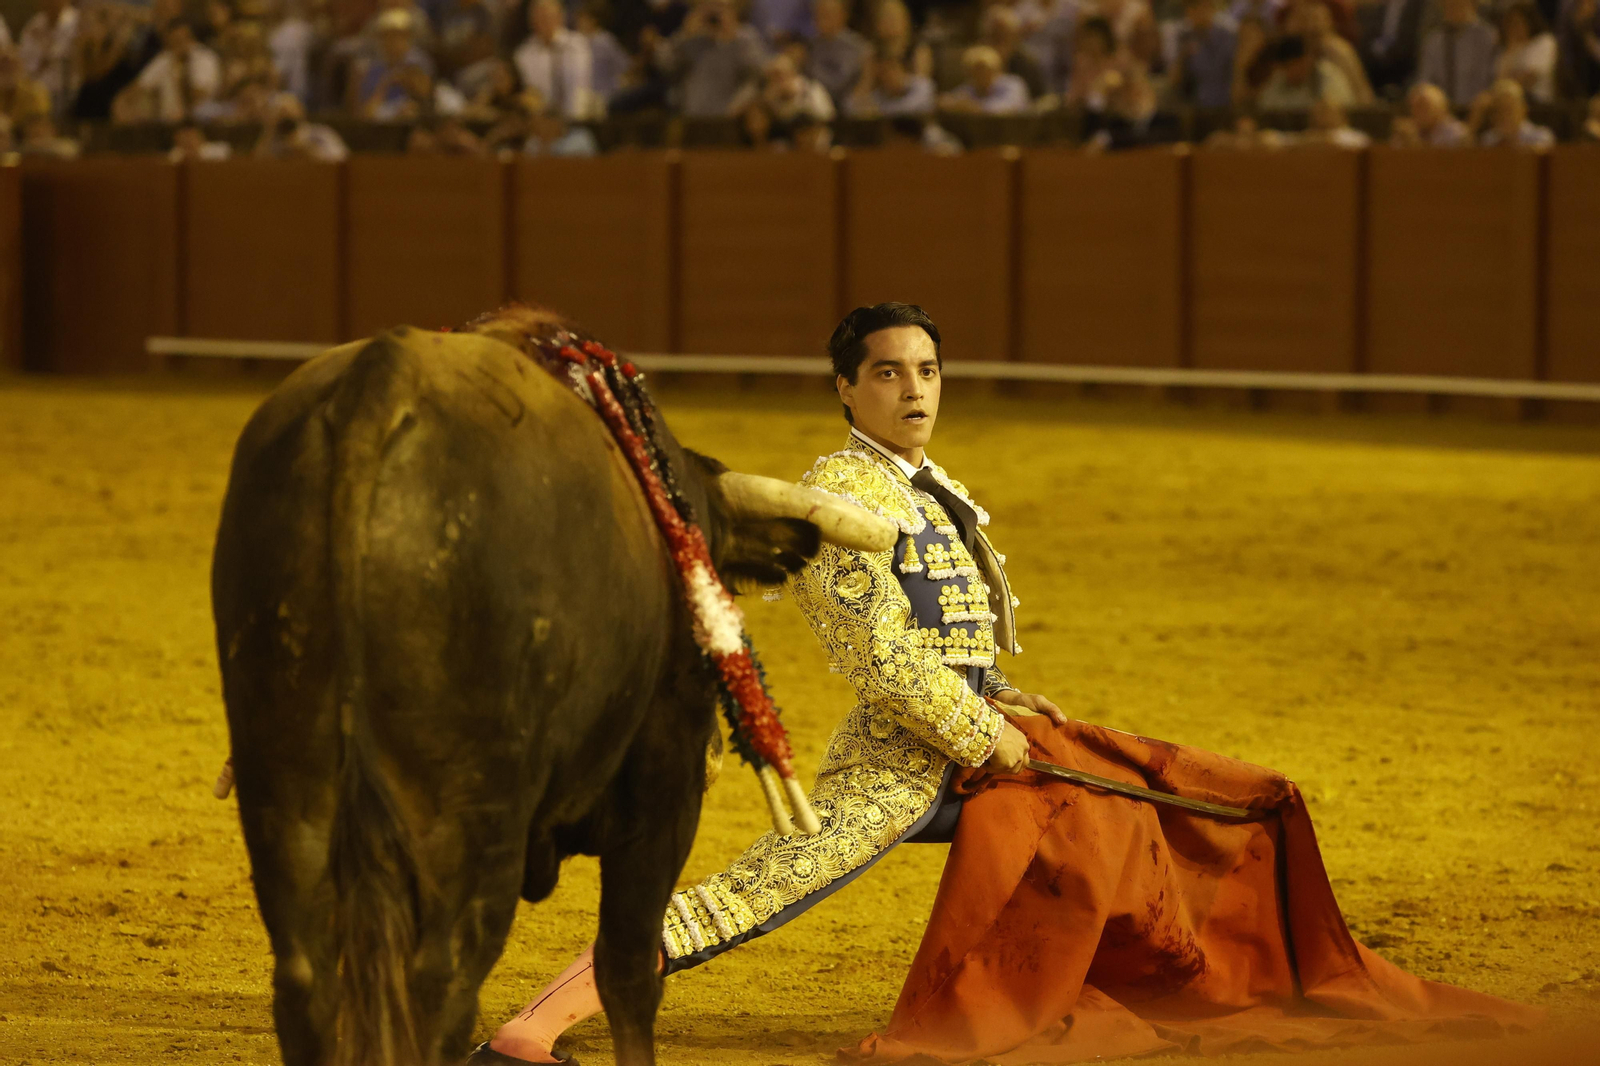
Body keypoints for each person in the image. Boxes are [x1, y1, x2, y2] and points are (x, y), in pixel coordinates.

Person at [470, 302, 1545, 1066]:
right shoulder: (841, 491)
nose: (913, 389)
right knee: (757, 893)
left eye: (927, 370)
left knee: (1101, 818)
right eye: (888, 372)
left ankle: (1051, 997)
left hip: (980, 739)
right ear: (845, 386)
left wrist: (1003, 702)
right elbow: (877, 652)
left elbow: (947, 631)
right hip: (910, 757)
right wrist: (975, 728)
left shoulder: (925, 484)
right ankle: (535, 1027)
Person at [660, 0, 767, 116]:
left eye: (720, 6)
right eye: (709, 6)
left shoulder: (745, 37)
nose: (714, 13)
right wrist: (683, 35)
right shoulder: (689, 38)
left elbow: (757, 77)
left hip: (731, 117)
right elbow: (664, 67)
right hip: (692, 116)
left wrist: (731, 39)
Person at [513, 0, 596, 119]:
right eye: (538, 18)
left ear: (560, 17)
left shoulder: (578, 45)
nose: (543, 22)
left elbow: (581, 84)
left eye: (548, 16)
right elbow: (530, 92)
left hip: (577, 118)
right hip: (542, 122)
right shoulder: (524, 54)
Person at [131, 19, 222, 123]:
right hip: (166, 124)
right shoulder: (166, 57)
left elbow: (197, 98)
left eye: (181, 39)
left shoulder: (205, 59)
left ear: (191, 38)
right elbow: (137, 88)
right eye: (173, 41)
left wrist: (182, 68)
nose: (178, 45)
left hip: (201, 123)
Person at [1417, 0, 1498, 109]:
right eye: (1448, 4)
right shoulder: (1434, 40)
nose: (1452, 7)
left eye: (1457, 3)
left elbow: (1489, 81)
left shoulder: (1487, 37)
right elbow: (1425, 81)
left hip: (1477, 109)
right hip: (1441, 112)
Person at [1256, 33, 1356, 109]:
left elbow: (1339, 112)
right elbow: (1267, 108)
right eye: (1288, 67)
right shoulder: (1278, 79)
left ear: (1308, 60)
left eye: (1297, 64)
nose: (1293, 71)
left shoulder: (1328, 75)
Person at [17, 0, 79, 117]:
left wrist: (45, 49)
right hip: (36, 93)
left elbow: (60, 55)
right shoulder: (34, 24)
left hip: (68, 92)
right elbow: (26, 63)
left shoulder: (76, 22)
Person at [1172, 0, 1237, 109]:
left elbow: (1232, 71)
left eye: (1204, 7)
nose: (1198, 13)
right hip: (1194, 104)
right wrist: (1183, 56)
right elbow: (1175, 80)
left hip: (1224, 102)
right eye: (1193, 9)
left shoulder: (1226, 37)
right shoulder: (1185, 37)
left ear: (1212, 9)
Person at [805, 0, 866, 108]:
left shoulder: (859, 48)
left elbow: (863, 81)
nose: (822, 19)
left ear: (843, 15)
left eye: (828, 14)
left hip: (849, 102)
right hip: (819, 102)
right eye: (819, 14)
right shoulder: (808, 47)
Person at [940, 43, 1030, 113]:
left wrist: (975, 108)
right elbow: (954, 99)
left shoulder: (1013, 84)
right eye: (975, 70)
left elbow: (1008, 107)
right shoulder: (970, 88)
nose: (981, 74)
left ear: (995, 69)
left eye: (984, 69)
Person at [1495, 1, 1557, 103]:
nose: (1514, 28)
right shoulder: (1509, 48)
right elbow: (1499, 81)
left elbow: (1529, 79)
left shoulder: (1544, 42)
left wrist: (1508, 85)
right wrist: (1511, 50)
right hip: (1511, 99)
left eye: (1518, 22)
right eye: (1510, 23)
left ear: (1529, 22)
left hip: (1537, 100)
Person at [1470, 75, 1555, 147]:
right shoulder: (1488, 140)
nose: (1504, 115)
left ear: (1523, 109)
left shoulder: (1541, 136)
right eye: (1499, 109)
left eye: (1509, 108)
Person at [847, 46, 934, 116]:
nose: (889, 75)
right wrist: (867, 78)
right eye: (884, 71)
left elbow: (905, 113)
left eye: (892, 68)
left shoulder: (921, 85)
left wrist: (877, 112)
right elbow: (850, 108)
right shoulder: (879, 94)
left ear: (902, 68)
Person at [1389, 80, 1468, 145]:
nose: (1417, 112)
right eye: (1413, 107)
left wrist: (1416, 142)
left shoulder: (1456, 133)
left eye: (1423, 106)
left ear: (1439, 109)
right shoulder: (1407, 131)